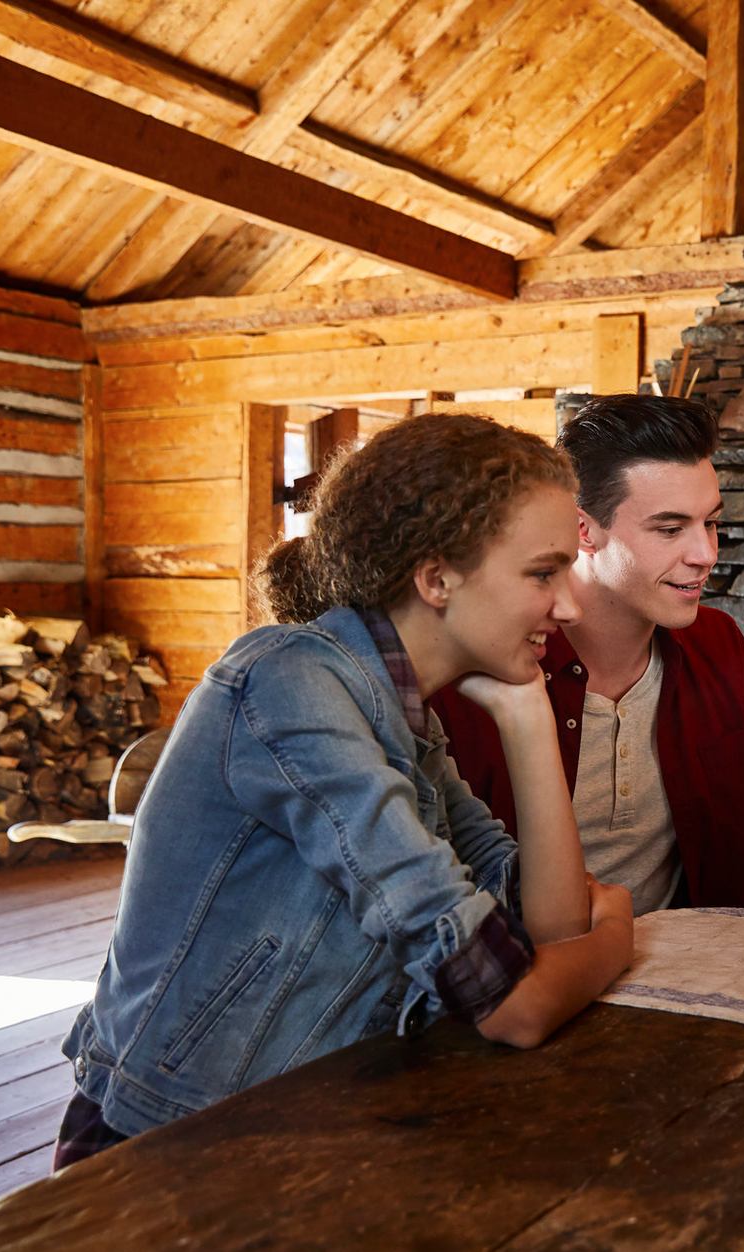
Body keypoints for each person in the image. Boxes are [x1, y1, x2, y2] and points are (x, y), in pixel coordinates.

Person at [54, 414, 634, 1169]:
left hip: (302, 1131)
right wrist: (618, 941)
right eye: (542, 573)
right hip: (160, 1147)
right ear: (436, 579)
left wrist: (526, 718)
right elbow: (513, 1006)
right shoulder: (292, 683)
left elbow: (547, 927)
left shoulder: (400, 715)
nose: (570, 605)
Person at [431, 395, 744, 919]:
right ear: (582, 529)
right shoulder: (474, 678)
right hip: (530, 988)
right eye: (669, 529)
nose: (705, 553)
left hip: (698, 985)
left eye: (709, 522)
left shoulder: (719, 645)